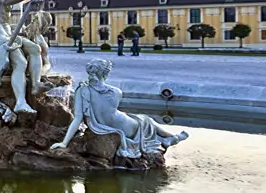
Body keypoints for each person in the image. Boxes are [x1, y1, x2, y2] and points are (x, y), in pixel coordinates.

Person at [51, 59, 189, 156]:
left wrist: (64, 143)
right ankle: (171, 138)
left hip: (108, 127)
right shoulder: (116, 91)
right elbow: (110, 109)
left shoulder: (82, 90)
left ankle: (168, 139)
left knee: (142, 120)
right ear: (106, 74)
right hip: (126, 126)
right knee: (146, 120)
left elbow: (78, 119)